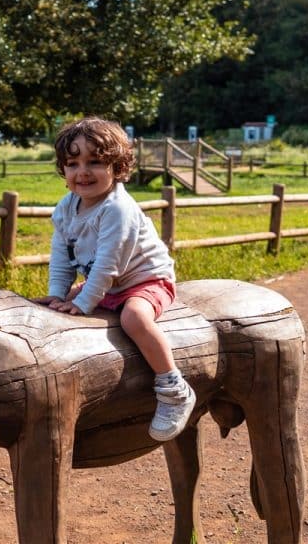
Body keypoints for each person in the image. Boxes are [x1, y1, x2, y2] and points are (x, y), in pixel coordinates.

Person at [34, 117, 196, 441]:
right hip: (107, 282)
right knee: (52, 311)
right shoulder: (66, 208)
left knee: (134, 318)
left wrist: (82, 302)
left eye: (95, 162)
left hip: (144, 279)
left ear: (117, 166)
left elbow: (109, 264)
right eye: (73, 163)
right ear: (63, 170)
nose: (83, 172)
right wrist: (57, 294)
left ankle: (173, 388)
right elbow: (62, 258)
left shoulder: (118, 209)